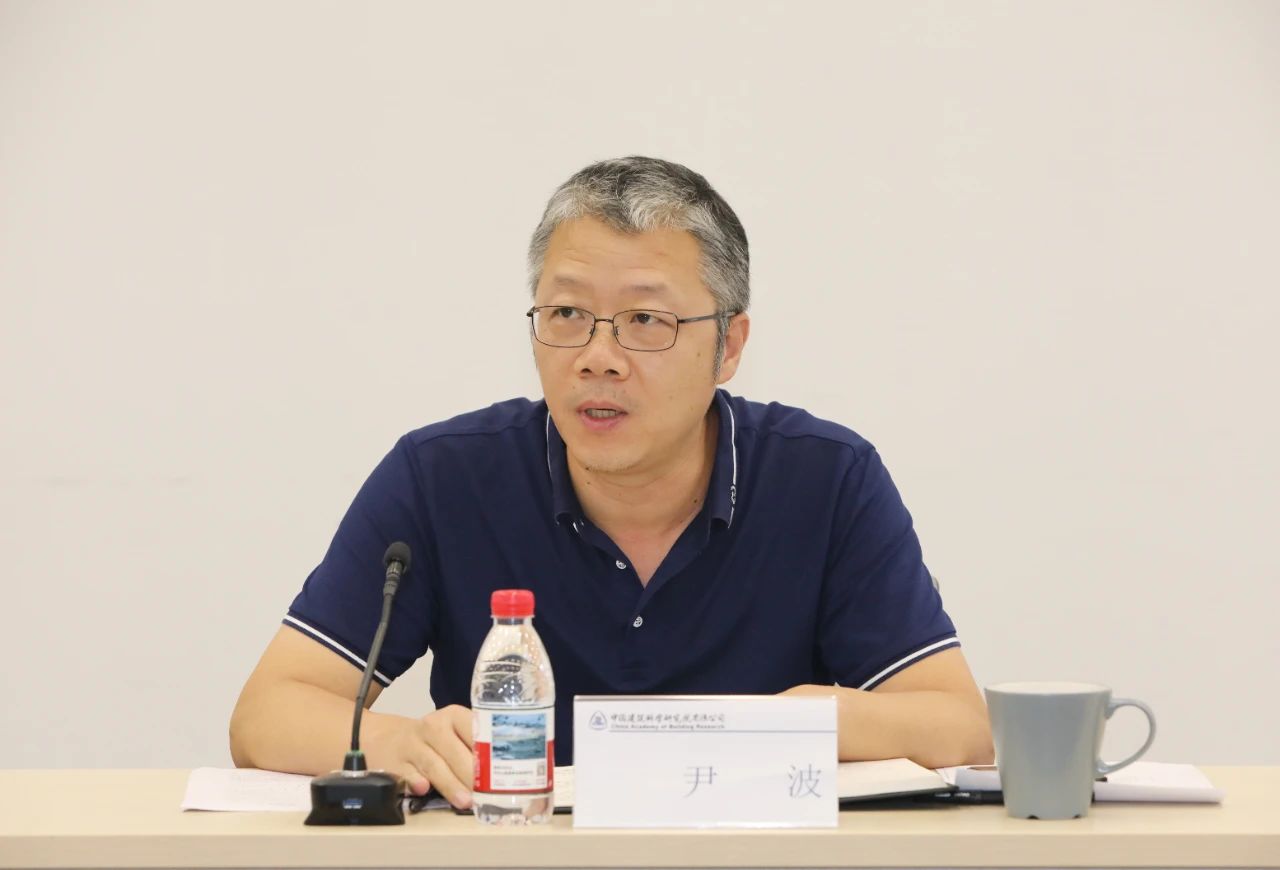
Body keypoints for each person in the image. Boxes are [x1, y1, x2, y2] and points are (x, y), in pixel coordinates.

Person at [229, 156, 994, 809]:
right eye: (567, 313)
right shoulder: (444, 476)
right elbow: (266, 715)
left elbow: (962, 729)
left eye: (645, 321)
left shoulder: (825, 480)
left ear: (730, 346)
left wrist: (795, 721)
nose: (598, 357)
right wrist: (400, 741)